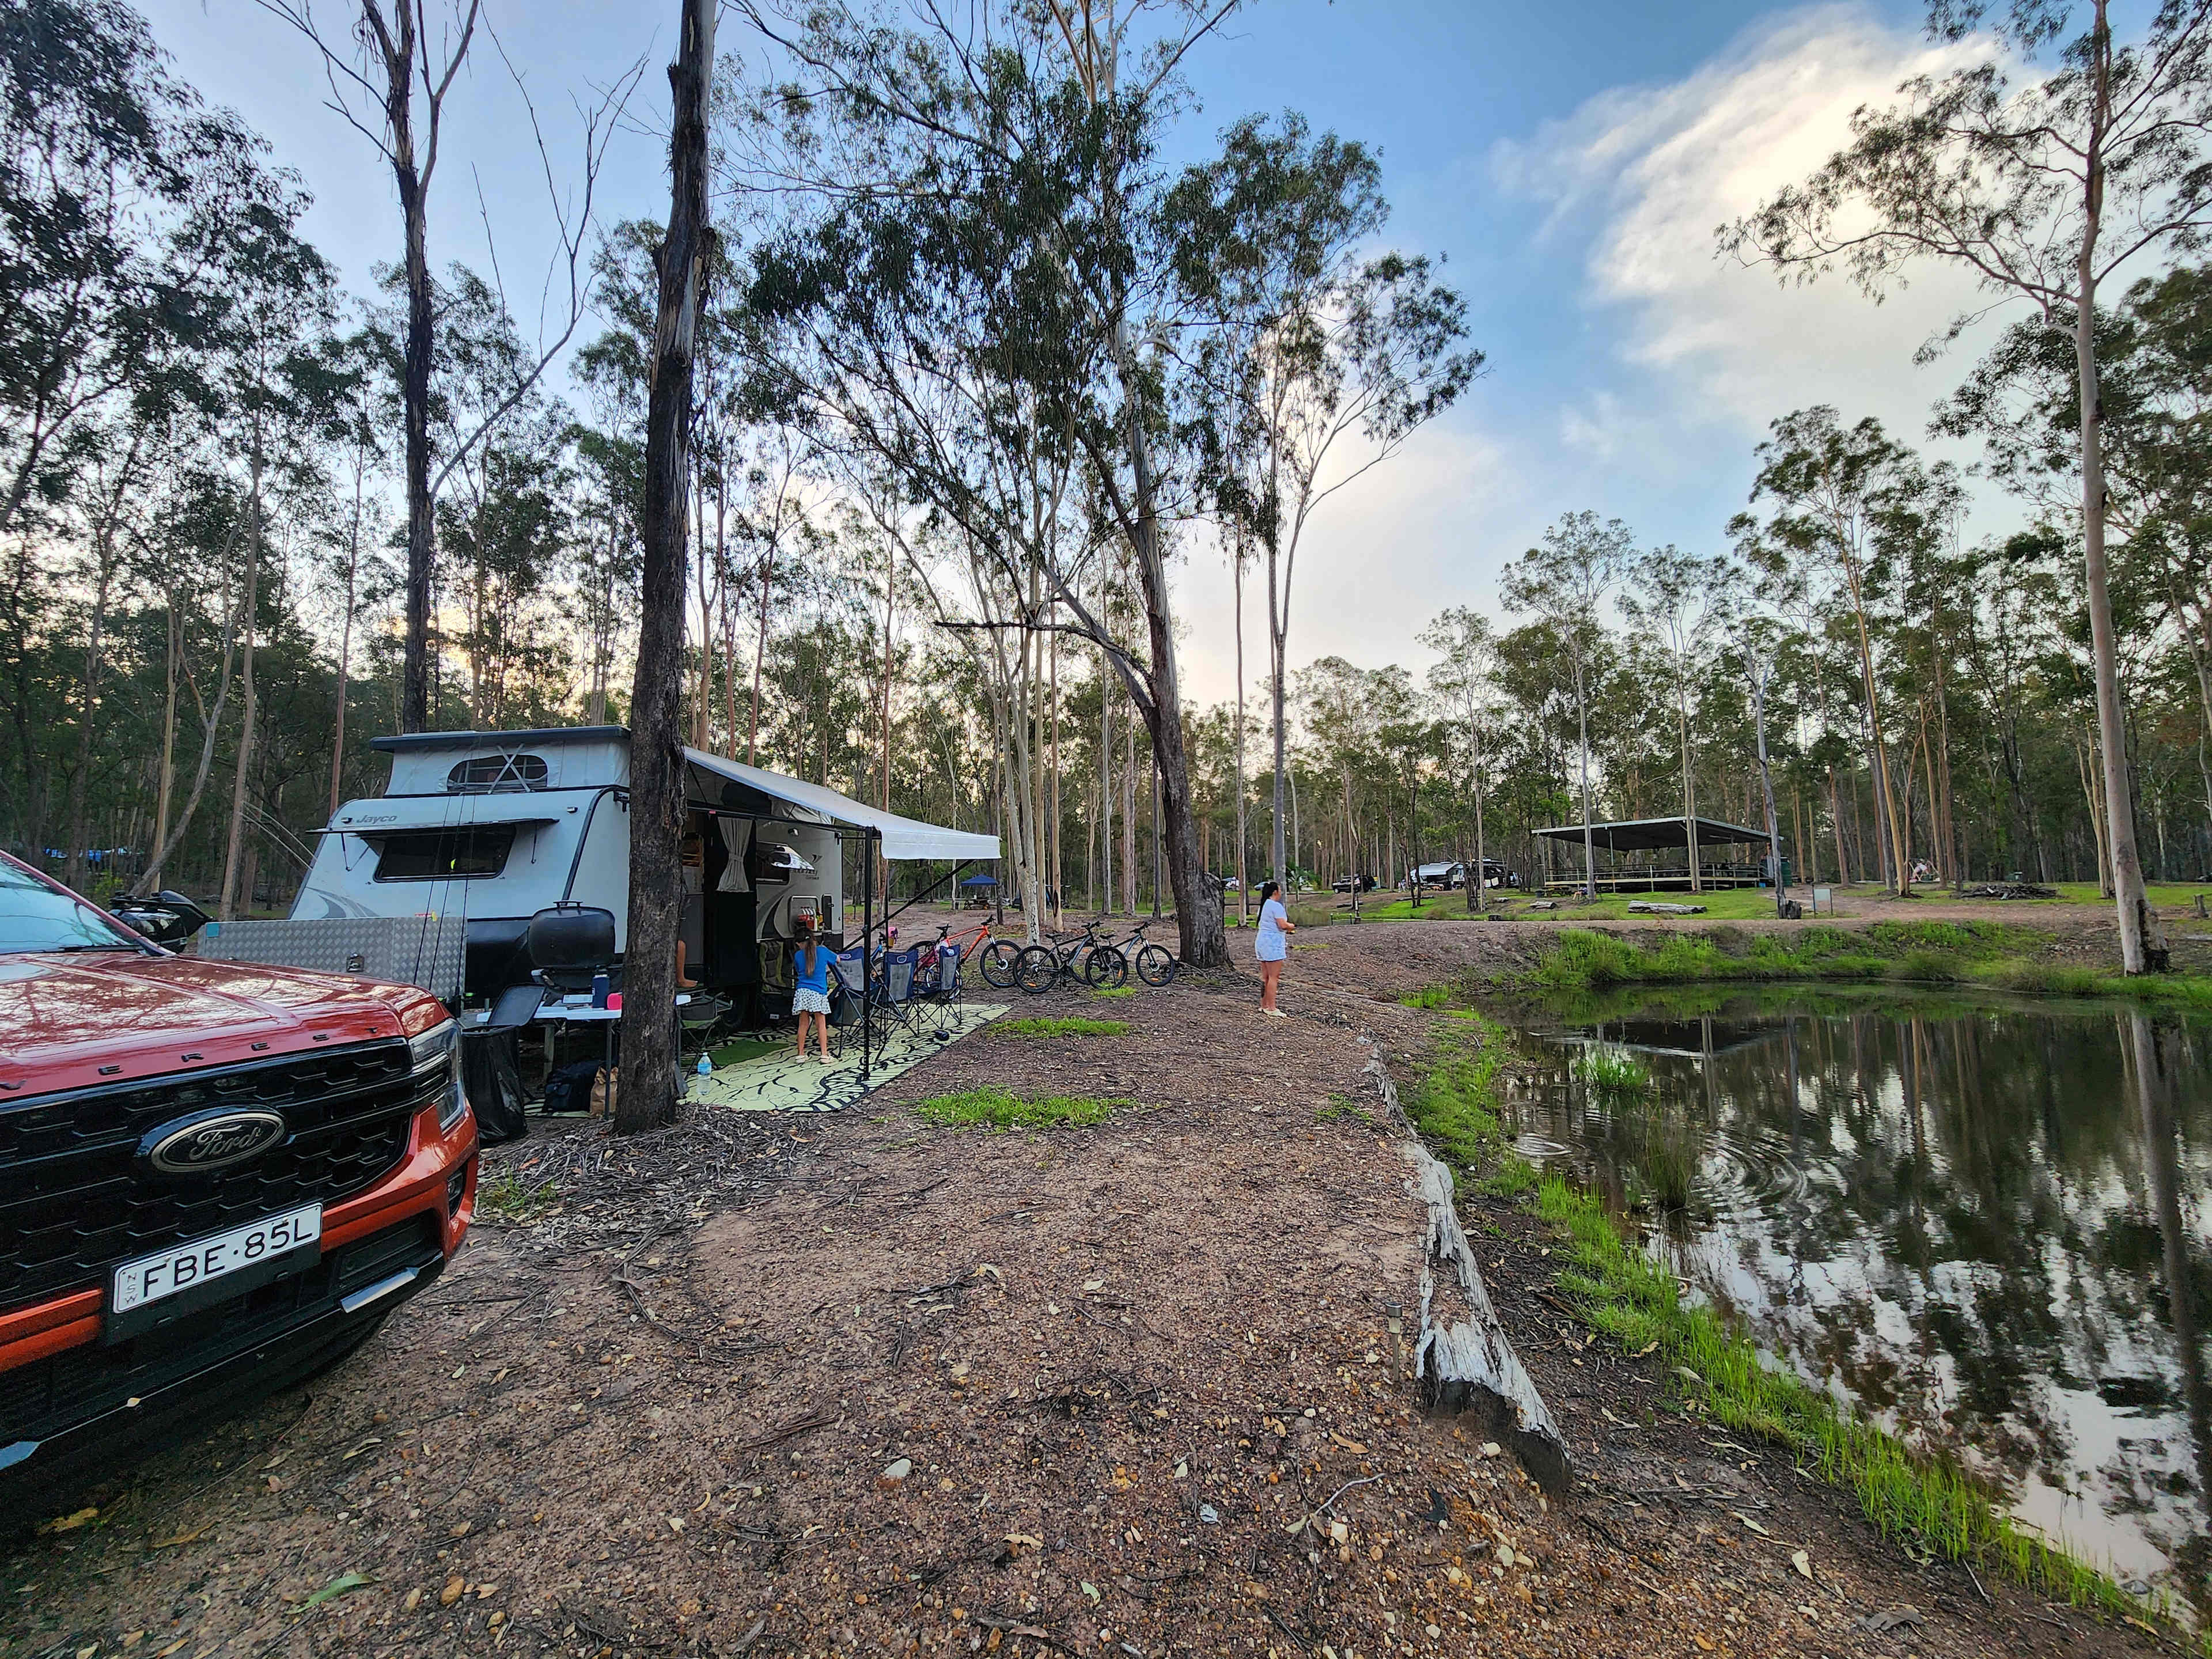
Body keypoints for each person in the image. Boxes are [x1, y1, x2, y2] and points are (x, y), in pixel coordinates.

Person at [791, 922, 834, 1063]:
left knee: (803, 1023)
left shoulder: (798, 955)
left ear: (799, 943)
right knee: (821, 1024)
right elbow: (838, 960)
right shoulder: (822, 951)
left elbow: (799, 969)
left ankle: (801, 1054)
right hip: (818, 992)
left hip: (802, 991)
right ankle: (824, 1054)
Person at [1255, 878, 1294, 1017]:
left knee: (1265, 976)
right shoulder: (1276, 906)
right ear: (1275, 892)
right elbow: (1282, 925)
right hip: (1272, 944)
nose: (1281, 892)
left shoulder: (1263, 906)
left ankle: (1264, 1005)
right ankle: (1272, 1008)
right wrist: (1291, 926)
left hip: (1261, 942)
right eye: (1280, 890)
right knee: (1273, 977)